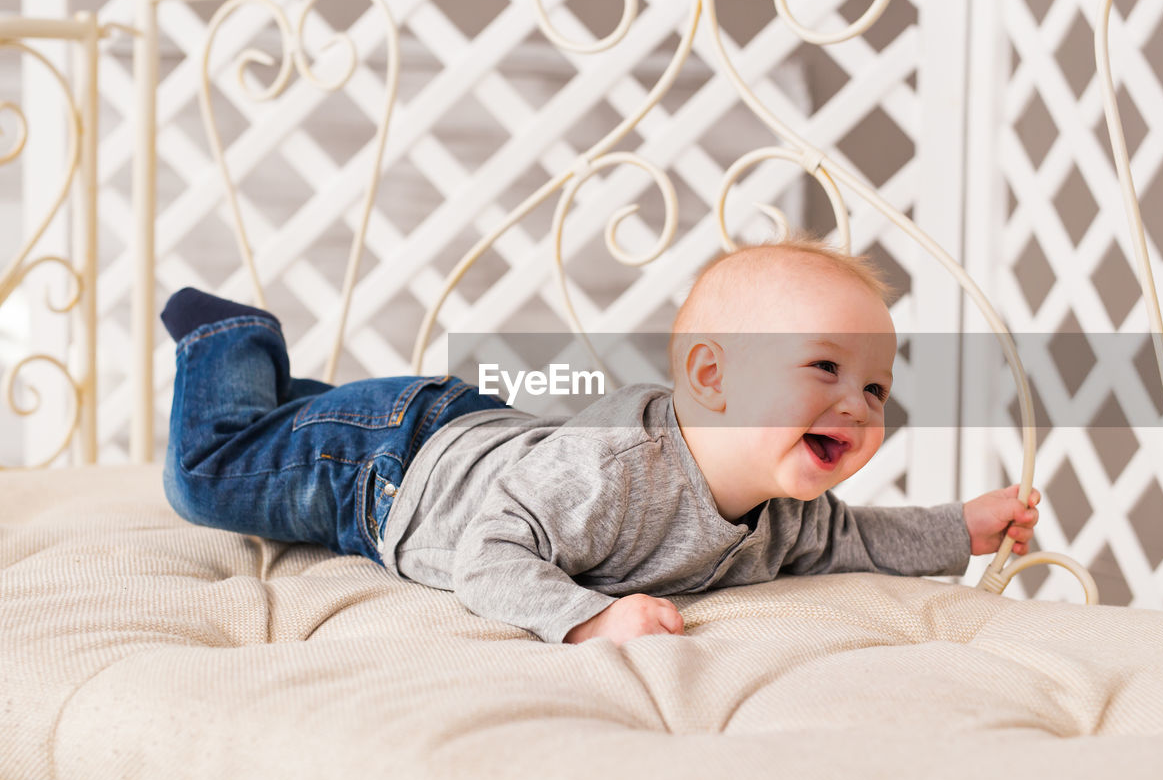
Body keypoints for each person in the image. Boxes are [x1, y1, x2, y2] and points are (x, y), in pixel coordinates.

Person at [162, 239, 1039, 646]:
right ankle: (229, 338)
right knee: (206, 478)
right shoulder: (618, 470)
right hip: (388, 467)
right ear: (712, 376)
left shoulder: (782, 513)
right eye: (824, 368)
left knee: (289, 431)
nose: (858, 405)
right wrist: (588, 618)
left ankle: (295, 404)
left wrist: (963, 526)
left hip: (475, 436)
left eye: (876, 388)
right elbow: (488, 552)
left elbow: (861, 540)